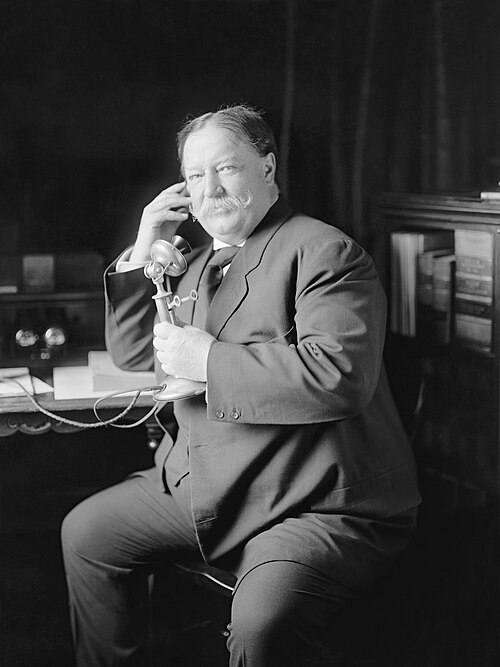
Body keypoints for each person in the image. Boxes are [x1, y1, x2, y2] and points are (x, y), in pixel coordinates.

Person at [61, 103, 421, 667]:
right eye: (194, 176)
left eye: (226, 168)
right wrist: (142, 246)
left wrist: (207, 360)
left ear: (269, 168)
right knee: (87, 533)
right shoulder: (200, 263)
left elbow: (341, 378)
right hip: (208, 481)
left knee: (261, 624)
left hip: (307, 498)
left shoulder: (325, 251)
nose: (209, 188)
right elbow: (135, 352)